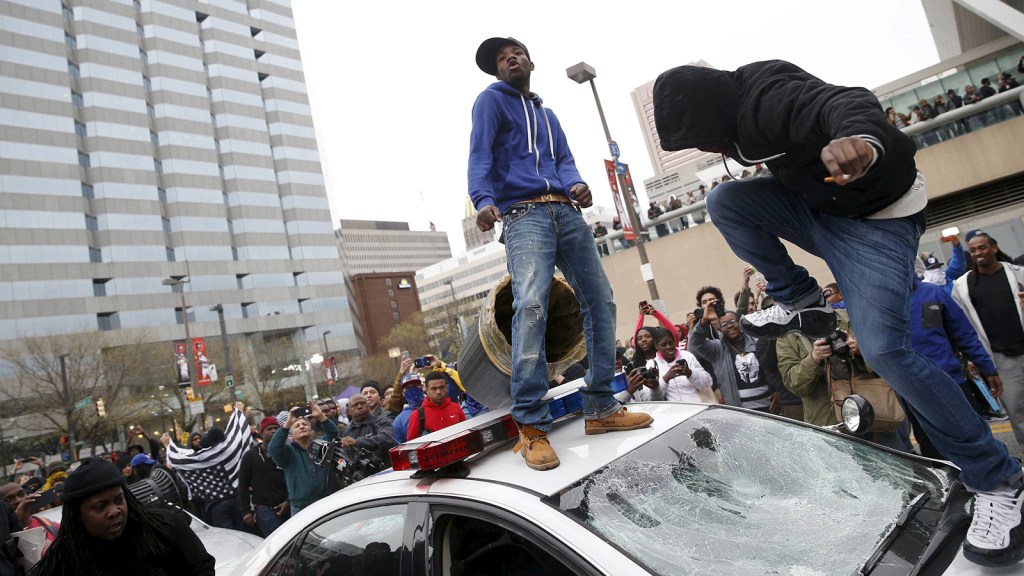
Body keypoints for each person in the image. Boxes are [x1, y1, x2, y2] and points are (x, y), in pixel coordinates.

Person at [652, 59, 1023, 567]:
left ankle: (998, 479)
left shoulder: (767, 98)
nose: (715, 149)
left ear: (718, 112)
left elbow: (839, 101)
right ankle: (799, 297)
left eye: (709, 139)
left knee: (887, 349)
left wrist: (859, 139)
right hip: (822, 209)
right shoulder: (736, 110)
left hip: (876, 226)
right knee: (726, 201)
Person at [468, 36, 652, 471]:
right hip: (524, 215)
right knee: (531, 304)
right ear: (497, 73)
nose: (510, 58)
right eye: (500, 59)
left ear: (530, 61)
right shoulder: (490, 102)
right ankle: (531, 426)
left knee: (601, 300)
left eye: (515, 52)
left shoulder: (548, 116)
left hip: (565, 213)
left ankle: (601, 407)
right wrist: (482, 199)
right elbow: (479, 155)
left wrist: (577, 184)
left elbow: (564, 160)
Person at [29, 457, 215, 576]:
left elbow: (203, 566)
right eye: (100, 506)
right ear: (77, 515)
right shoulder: (64, 560)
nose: (114, 511)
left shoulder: (165, 526)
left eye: (119, 500)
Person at [910, 275, 1002, 458]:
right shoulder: (881, 302)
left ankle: (993, 480)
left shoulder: (933, 293)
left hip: (951, 381)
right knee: (932, 448)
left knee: (976, 439)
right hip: (911, 390)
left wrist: (987, 368)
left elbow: (964, 334)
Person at [952, 232, 1023, 446]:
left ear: (994, 247)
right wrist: (974, 360)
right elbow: (965, 328)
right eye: (972, 250)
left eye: (982, 248)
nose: (977, 253)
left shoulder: (1018, 274)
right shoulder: (963, 286)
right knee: (1016, 410)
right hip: (1000, 360)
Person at [267, 401, 339, 515]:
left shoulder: (319, 444)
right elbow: (273, 448)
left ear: (310, 429)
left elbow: (333, 433)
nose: (301, 426)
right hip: (301, 507)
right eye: (297, 426)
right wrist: (287, 424)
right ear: (291, 435)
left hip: (327, 501)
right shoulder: (288, 452)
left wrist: (320, 415)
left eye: (304, 424)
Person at [238, 417, 289, 537]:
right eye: (269, 429)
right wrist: (246, 511)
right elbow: (243, 485)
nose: (273, 431)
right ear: (261, 433)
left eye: (276, 428)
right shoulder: (251, 456)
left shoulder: (287, 452)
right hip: (265, 509)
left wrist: (288, 501)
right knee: (278, 541)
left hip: (288, 506)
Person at [338, 394, 396, 480]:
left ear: (368, 406)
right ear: (349, 411)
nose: (360, 407)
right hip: (358, 480)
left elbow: (387, 439)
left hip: (385, 473)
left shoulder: (381, 421)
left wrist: (357, 442)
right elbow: (341, 458)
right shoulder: (345, 432)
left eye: (362, 403)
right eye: (355, 405)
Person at [406, 372, 467, 440]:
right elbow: (412, 446)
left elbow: (466, 434)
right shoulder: (417, 415)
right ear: (427, 390)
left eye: (441, 387)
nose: (438, 392)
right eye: (434, 389)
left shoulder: (456, 407)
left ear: (446, 388)